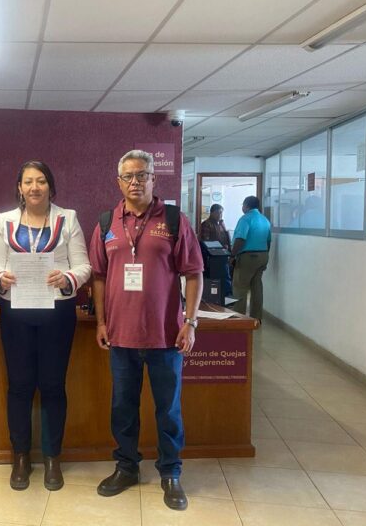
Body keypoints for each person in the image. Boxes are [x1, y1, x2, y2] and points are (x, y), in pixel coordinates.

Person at [88, 149, 203, 511]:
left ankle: (170, 472)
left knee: (168, 410)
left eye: (142, 175)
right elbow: (98, 276)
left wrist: (190, 322)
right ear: (118, 181)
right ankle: (126, 467)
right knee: (123, 407)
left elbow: (194, 273)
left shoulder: (174, 219)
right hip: (120, 336)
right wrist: (101, 322)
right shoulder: (106, 223)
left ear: (154, 179)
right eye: (128, 176)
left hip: (166, 336)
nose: (135, 182)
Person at [0, 160, 91, 491]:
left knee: (53, 386)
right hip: (16, 312)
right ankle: (20, 457)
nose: (34, 187)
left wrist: (67, 277)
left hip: (56, 313)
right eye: (28, 181)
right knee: (19, 385)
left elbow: (84, 266)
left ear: (50, 186)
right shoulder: (4, 221)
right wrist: (0, 276)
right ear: (19, 187)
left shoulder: (67, 218)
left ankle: (51, 457)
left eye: (41, 180)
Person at [231, 195, 271, 323]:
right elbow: (268, 241)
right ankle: (256, 318)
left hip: (248, 257)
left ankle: (239, 319)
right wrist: (265, 255)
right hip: (263, 255)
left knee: (240, 287)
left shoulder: (245, 219)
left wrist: (232, 255)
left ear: (246, 205)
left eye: (243, 205)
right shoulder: (265, 220)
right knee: (256, 287)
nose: (242, 207)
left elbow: (240, 239)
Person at [199, 203, 232, 295]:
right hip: (212, 257)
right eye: (218, 213)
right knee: (213, 278)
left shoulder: (221, 224)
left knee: (225, 276)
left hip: (223, 255)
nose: (220, 215)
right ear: (212, 213)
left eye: (221, 213)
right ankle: (213, 296)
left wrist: (228, 248)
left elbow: (226, 238)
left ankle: (226, 295)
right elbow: (205, 241)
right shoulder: (206, 224)